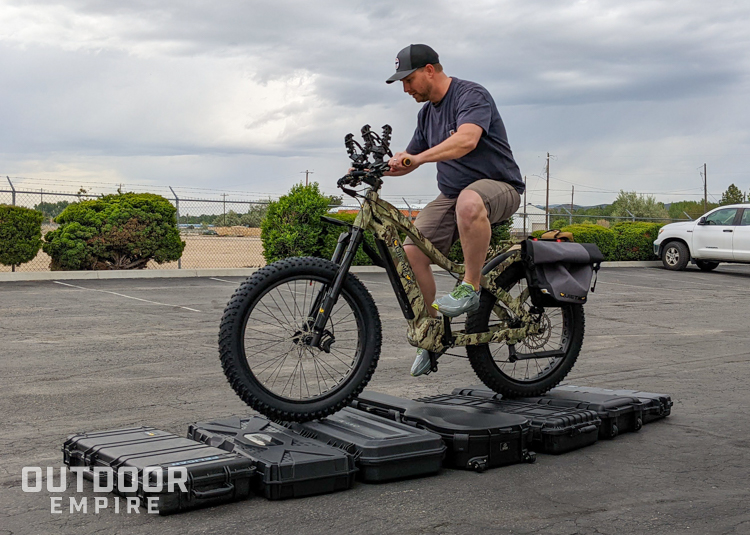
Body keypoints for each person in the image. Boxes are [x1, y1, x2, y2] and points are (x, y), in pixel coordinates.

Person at [384, 44, 525, 376]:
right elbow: (409, 158)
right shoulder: (426, 113)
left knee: (469, 201)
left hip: (498, 187)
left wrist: (418, 158)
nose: (405, 89)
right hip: (452, 195)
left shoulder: (470, 95)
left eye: (409, 79)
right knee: (410, 253)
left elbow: (467, 140)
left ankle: (471, 287)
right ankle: (432, 335)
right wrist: (376, 168)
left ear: (430, 70)